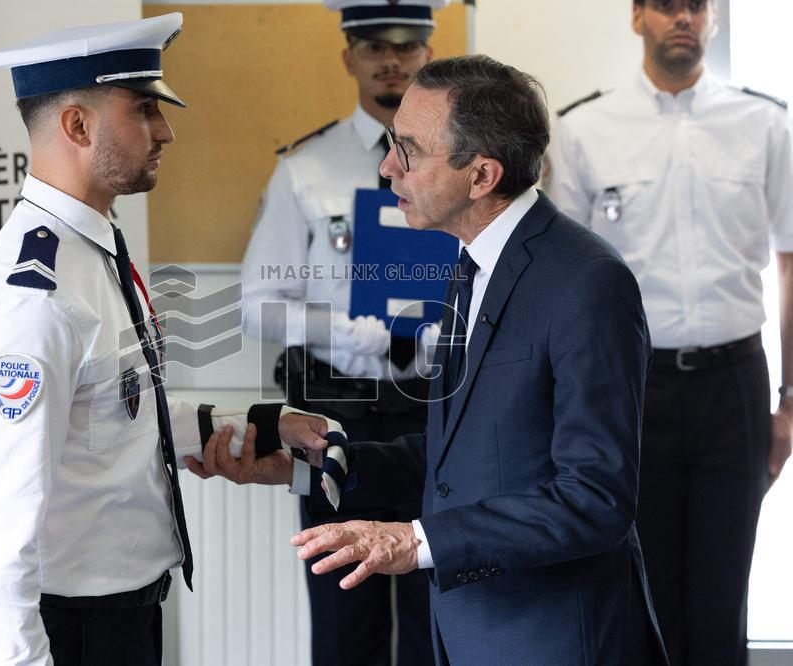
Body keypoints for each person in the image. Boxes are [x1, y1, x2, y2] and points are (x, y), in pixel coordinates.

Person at [0, 14, 333, 666]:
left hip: (120, 616)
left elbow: (116, 411)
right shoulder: (31, 301)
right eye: (144, 109)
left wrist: (257, 424)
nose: (166, 130)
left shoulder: (93, 247)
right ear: (78, 127)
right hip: (59, 635)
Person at [263, 54, 671, 665]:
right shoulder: (471, 260)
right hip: (474, 632)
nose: (386, 165)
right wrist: (322, 461)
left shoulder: (587, 281)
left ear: (480, 176)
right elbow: (467, 454)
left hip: (553, 639)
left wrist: (415, 540)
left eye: (409, 150)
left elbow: (595, 499)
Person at [546, 1, 793, 663]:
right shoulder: (584, 129)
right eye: (664, 4)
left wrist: (790, 401)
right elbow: (561, 280)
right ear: (637, 18)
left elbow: (790, 260)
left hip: (734, 386)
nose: (681, 16)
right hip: (629, 389)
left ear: (712, 19)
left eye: (696, 4)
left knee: (721, 598)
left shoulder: (766, 123)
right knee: (640, 594)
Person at [238, 1, 443, 663]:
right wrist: (345, 334)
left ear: (427, 55)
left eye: (406, 46)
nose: (391, 60)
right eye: (374, 46)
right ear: (348, 57)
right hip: (336, 418)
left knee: (434, 606)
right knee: (342, 612)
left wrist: (446, 335)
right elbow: (255, 306)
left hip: (432, 415)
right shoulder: (305, 166)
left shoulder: (459, 163)